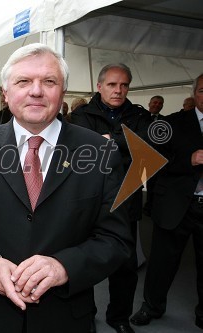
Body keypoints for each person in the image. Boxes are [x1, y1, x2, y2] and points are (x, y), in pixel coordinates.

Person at [0, 43, 133, 333]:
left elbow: (116, 239)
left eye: (49, 81)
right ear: (6, 92)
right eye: (23, 81)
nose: (36, 91)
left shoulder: (101, 152)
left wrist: (64, 266)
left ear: (62, 91)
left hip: (64, 319)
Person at [70, 63, 151, 333]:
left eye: (124, 85)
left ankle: (119, 318)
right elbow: (86, 148)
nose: (119, 90)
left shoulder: (139, 115)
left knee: (125, 266)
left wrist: (110, 140)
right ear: (99, 86)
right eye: (112, 85)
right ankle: (86, 314)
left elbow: (146, 146)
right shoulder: (82, 114)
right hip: (89, 200)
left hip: (126, 201)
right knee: (83, 261)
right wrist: (125, 143)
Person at [130, 73, 203, 330]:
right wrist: (189, 160)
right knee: (162, 262)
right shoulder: (172, 123)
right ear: (194, 94)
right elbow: (152, 161)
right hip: (176, 205)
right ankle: (151, 307)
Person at [143, 95, 165, 217]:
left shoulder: (165, 120)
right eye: (155, 102)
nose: (157, 105)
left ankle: (151, 206)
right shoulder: (141, 118)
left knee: (154, 184)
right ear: (149, 104)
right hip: (141, 156)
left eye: (160, 103)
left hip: (156, 158)